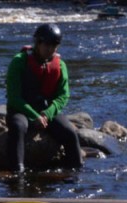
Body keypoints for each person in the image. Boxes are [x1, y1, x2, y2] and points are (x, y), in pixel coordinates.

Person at [5, 22, 82, 173]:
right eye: (47, 45)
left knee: (70, 133)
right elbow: (14, 97)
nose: (50, 49)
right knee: (18, 127)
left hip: (46, 111)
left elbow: (63, 96)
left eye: (54, 46)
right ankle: (17, 171)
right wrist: (34, 116)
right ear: (38, 43)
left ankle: (75, 171)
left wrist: (47, 113)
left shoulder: (60, 66)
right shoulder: (19, 61)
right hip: (21, 110)